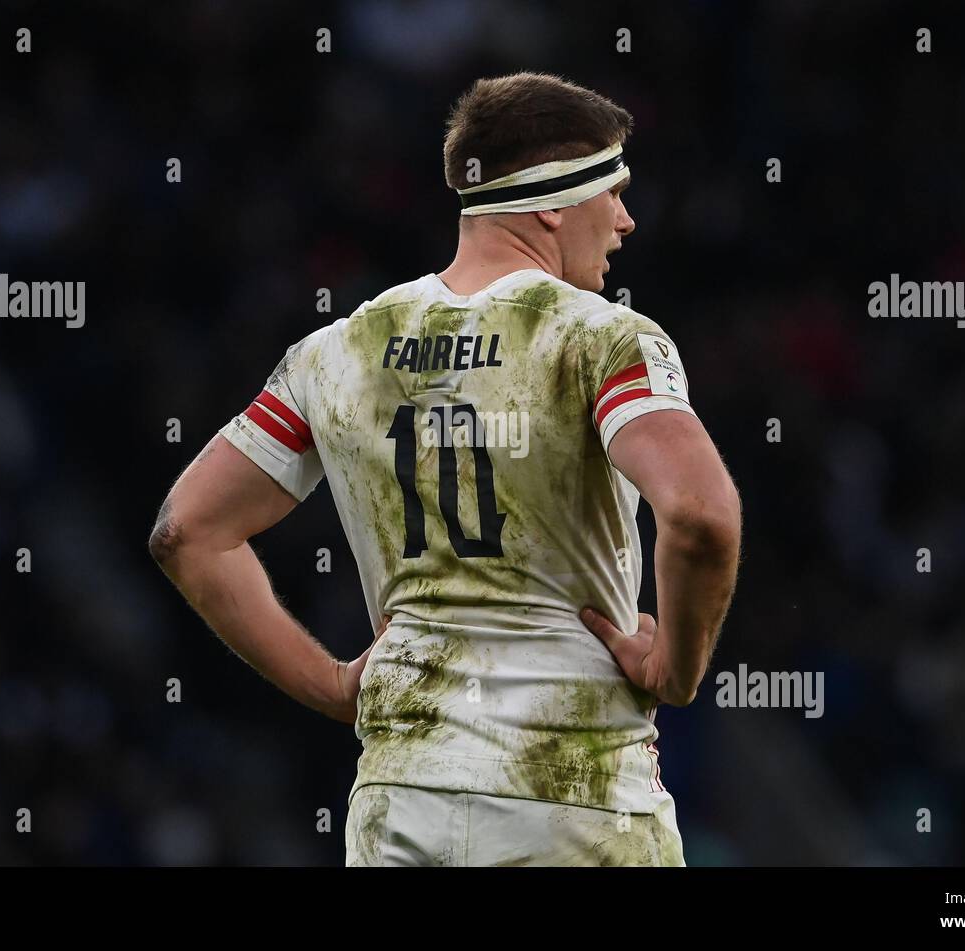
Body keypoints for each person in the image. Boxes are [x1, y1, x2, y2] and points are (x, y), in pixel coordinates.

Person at [149, 72, 742, 866]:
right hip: (573, 793)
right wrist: (676, 666)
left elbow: (186, 532)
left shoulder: (336, 353)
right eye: (615, 190)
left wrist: (331, 685)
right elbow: (701, 515)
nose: (626, 220)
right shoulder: (602, 341)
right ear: (553, 202)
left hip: (402, 798)